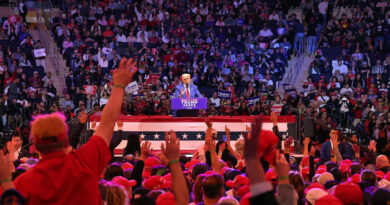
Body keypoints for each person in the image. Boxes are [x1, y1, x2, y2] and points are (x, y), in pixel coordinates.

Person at [0, 58, 138, 204]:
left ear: (37, 146)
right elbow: (108, 121)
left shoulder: (24, 183)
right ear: (65, 140)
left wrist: (6, 181)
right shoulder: (85, 162)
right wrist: (118, 86)